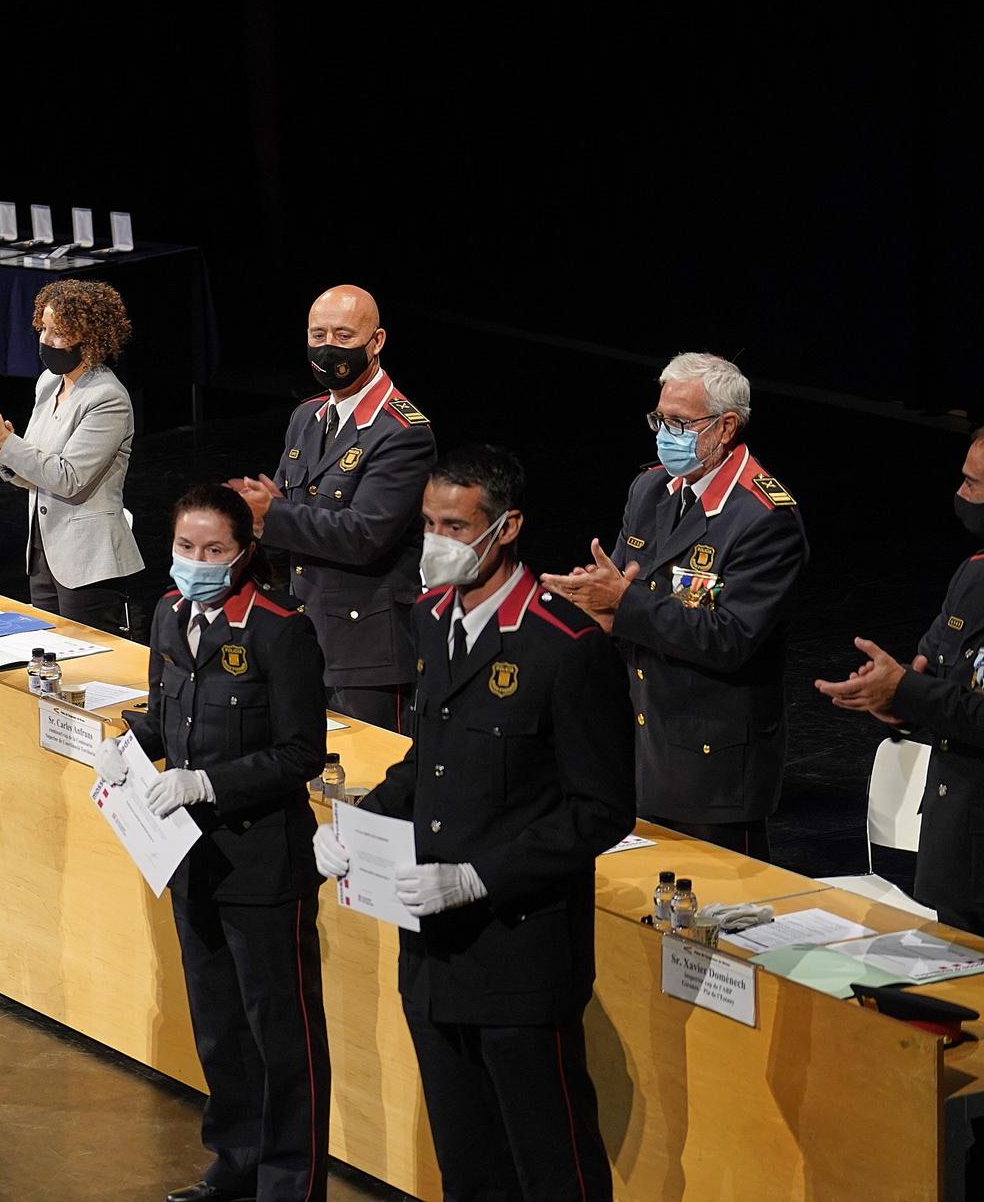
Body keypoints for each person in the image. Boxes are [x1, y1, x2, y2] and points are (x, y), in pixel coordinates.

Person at [318, 445, 634, 1202]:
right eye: (427, 522)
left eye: (455, 525)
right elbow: (429, 759)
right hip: (431, 955)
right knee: (468, 1165)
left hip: (520, 955)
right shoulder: (432, 617)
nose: (436, 540)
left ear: (508, 527)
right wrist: (356, 823)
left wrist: (475, 878)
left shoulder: (568, 649)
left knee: (551, 1164)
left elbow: (601, 811)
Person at [94, 484, 327, 1202]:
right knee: (221, 1027)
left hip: (263, 860)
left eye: (213, 551)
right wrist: (128, 740)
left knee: (279, 1034)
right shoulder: (168, 615)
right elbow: (169, 717)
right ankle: (236, 1160)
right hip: (191, 857)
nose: (196, 562)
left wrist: (205, 784)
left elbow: (300, 754)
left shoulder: (279, 629)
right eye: (185, 548)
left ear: (243, 553)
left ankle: (290, 1183)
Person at [542, 352, 807, 861]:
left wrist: (622, 604)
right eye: (661, 419)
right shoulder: (650, 489)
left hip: (712, 766)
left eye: (681, 423)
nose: (666, 433)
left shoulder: (763, 517)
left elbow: (731, 639)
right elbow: (620, 587)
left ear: (725, 426)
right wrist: (590, 599)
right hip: (638, 741)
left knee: (714, 922)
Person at [227, 285, 435, 733]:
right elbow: (286, 520)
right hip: (302, 631)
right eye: (317, 335)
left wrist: (271, 517)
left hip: (367, 650)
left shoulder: (403, 432)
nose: (327, 349)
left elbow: (365, 536)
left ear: (375, 342)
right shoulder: (307, 416)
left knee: (368, 787)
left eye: (342, 336)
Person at [816, 429, 984, 929]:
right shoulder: (973, 576)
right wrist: (892, 699)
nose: (960, 494)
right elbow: (929, 671)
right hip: (957, 850)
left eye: (974, 485)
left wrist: (908, 691)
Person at [0, 280, 144, 633]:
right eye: (43, 328)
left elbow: (69, 478)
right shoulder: (48, 382)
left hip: (89, 559)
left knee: (88, 660)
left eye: (58, 333)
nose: (45, 340)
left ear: (90, 340)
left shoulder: (108, 398)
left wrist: (12, 446)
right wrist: (4, 449)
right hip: (44, 550)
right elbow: (38, 466)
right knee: (48, 650)